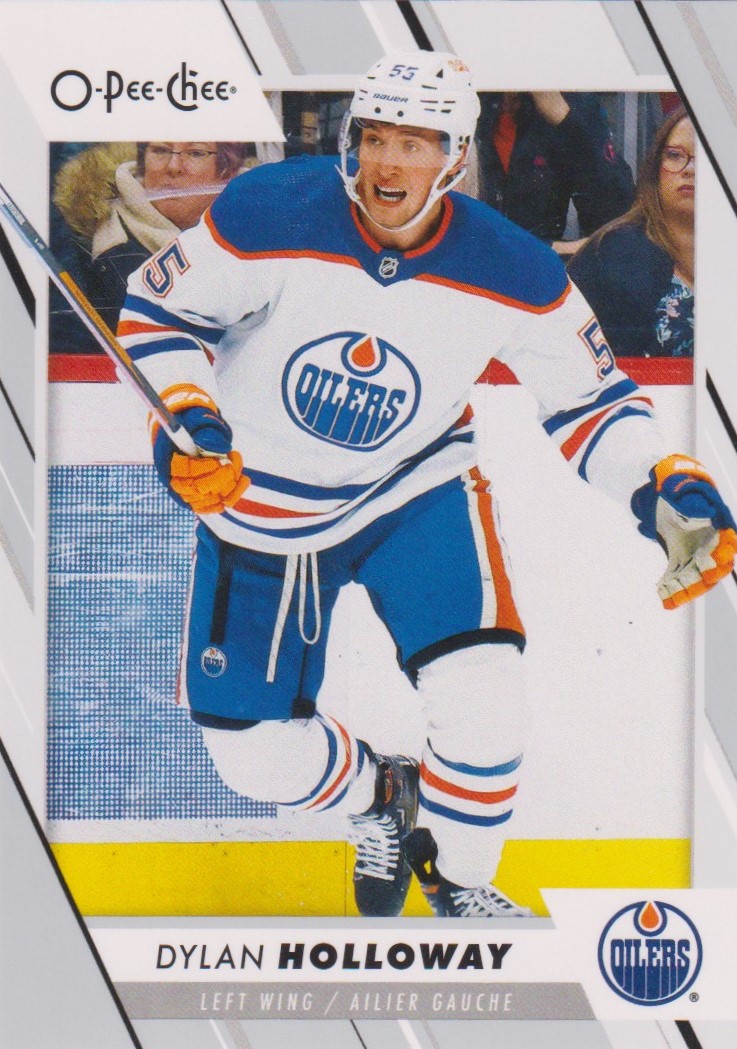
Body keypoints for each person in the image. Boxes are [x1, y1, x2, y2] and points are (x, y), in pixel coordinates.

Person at [117, 52, 736, 918]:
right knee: (251, 755)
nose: (387, 162)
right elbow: (159, 313)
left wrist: (660, 486)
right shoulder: (267, 209)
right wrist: (187, 420)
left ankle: (460, 882)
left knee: (485, 697)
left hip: (413, 490)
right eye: (373, 137)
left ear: (454, 156)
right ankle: (380, 795)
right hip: (261, 498)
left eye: (414, 143)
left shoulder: (512, 266)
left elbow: (591, 401)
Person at [52, 141, 249, 350]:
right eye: (160, 150)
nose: (173, 166)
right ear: (142, 164)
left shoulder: (261, 228)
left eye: (195, 153)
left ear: (228, 169)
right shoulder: (105, 253)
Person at [568, 111, 695, 357]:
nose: (690, 169)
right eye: (675, 155)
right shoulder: (615, 251)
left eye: (707, 157)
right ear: (655, 169)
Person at [475, 92, 635, 255]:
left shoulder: (572, 103)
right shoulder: (472, 104)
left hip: (539, 265)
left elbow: (619, 220)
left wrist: (566, 121)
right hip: (477, 259)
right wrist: (554, 247)